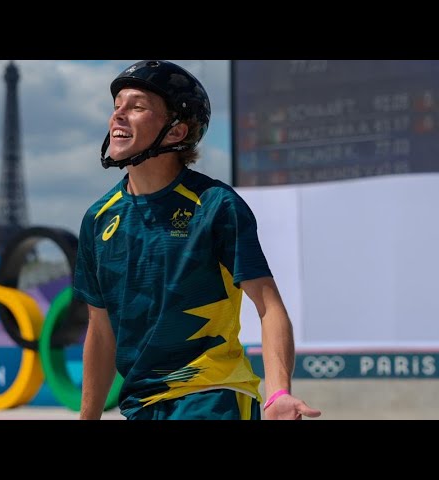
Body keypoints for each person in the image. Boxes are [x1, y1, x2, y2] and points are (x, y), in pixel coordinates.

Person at [73, 60, 321, 420]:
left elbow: (269, 307)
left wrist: (278, 391)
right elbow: (100, 331)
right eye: (117, 107)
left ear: (176, 132)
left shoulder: (217, 206)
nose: (119, 116)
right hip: (141, 406)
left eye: (137, 106)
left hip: (211, 396)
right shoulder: (98, 219)